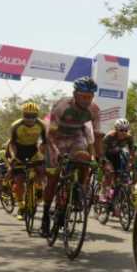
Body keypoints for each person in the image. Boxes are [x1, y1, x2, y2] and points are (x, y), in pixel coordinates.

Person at [41, 76, 102, 236]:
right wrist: (57, 152)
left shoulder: (94, 110)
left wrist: (100, 158)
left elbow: (95, 135)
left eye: (90, 97)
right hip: (56, 137)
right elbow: (51, 134)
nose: (86, 100)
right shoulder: (62, 106)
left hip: (76, 136)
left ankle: (78, 191)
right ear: (75, 95)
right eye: (83, 96)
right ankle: (46, 215)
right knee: (53, 180)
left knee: (84, 159)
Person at [9, 102, 47, 220]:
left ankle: (39, 188)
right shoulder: (16, 125)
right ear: (23, 114)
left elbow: (45, 143)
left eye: (33, 116)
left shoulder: (42, 125)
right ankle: (21, 206)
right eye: (27, 115)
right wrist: (14, 157)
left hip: (33, 150)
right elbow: (12, 144)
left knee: (41, 170)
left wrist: (44, 156)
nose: (30, 118)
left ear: (37, 115)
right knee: (19, 180)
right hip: (19, 150)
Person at [100, 118, 135, 203]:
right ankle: (103, 193)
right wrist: (106, 163)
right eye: (121, 130)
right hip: (106, 155)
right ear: (116, 129)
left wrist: (130, 164)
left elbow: (132, 153)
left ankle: (114, 200)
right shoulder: (109, 137)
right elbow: (101, 152)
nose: (124, 132)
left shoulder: (129, 138)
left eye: (126, 130)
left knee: (119, 176)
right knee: (109, 172)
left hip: (116, 155)